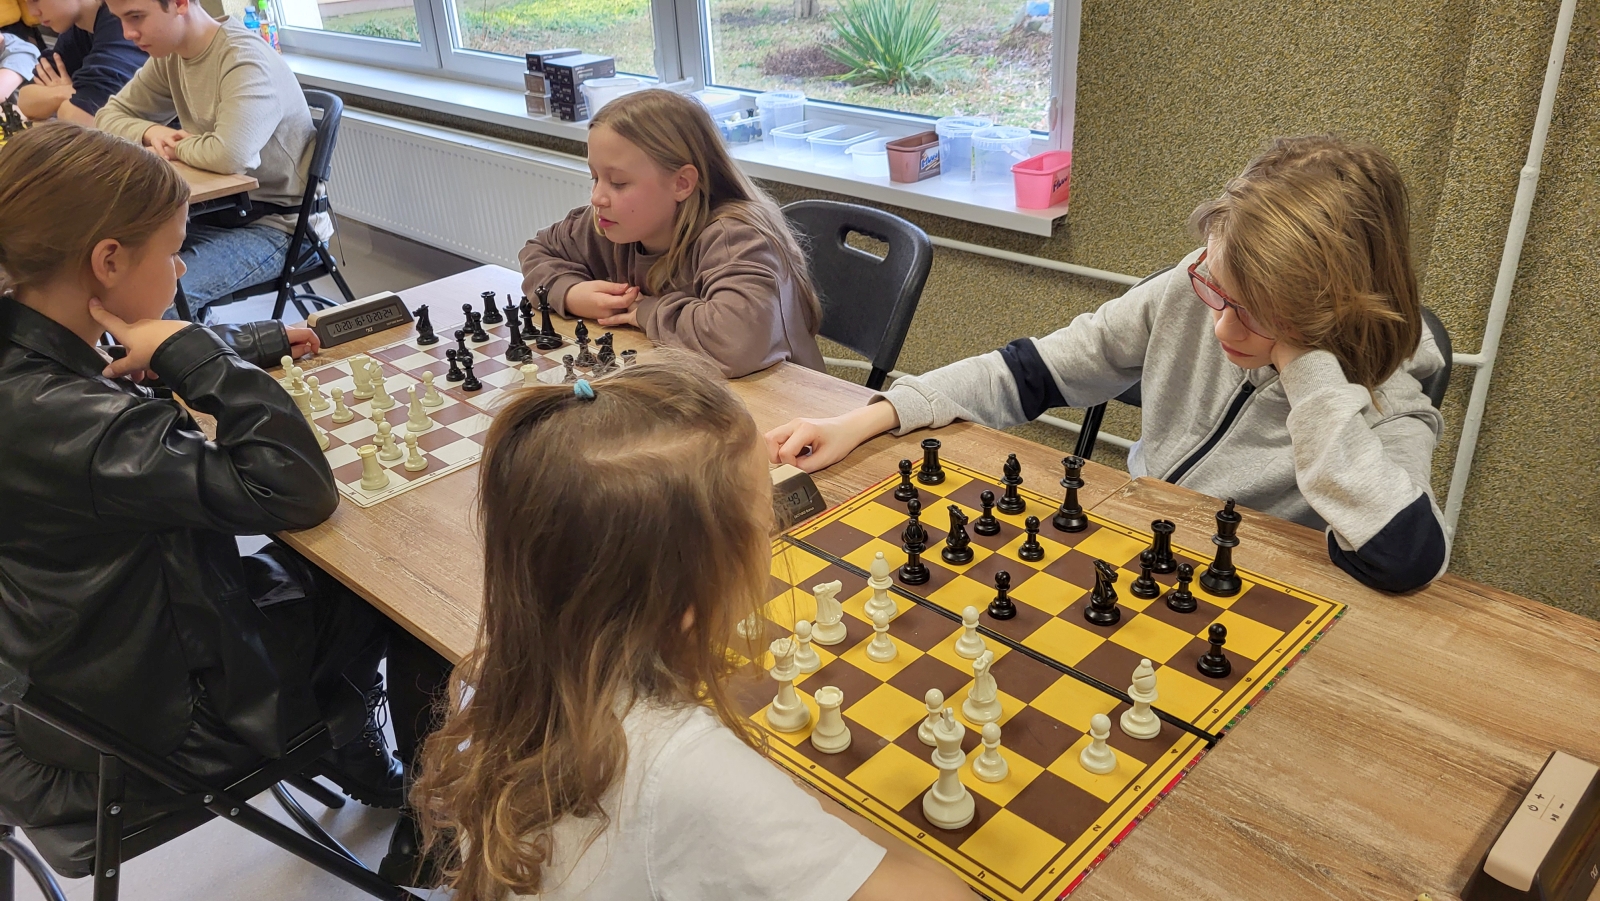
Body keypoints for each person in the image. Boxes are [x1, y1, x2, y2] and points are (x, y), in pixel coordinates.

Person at [0, 123, 448, 880]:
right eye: (174, 252)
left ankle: (350, 736)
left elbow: (115, 366)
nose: (181, 268)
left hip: (71, 674)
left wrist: (241, 344)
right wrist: (195, 356)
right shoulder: (81, 426)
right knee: (402, 590)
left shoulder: (30, 350)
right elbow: (294, 487)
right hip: (168, 724)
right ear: (107, 261)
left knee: (316, 576)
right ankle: (429, 816)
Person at [768, 136, 1450, 594]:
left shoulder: (1390, 396)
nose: (1218, 325)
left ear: (1326, 314)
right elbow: (1028, 370)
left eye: (1253, 312)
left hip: (1241, 592)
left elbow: (1405, 556)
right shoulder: (1190, 283)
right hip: (1128, 543)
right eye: (1216, 288)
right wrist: (869, 417)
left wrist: (1307, 366)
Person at [411, 356, 976, 901]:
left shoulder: (501, 677)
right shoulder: (688, 771)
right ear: (688, 595)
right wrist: (788, 803)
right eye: (765, 518)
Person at [519, 88, 825, 379]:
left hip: (791, 404)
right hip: (692, 386)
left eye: (618, 183)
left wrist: (645, 310)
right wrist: (571, 293)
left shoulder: (736, 238)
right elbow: (536, 251)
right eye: (595, 178)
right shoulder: (610, 223)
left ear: (681, 183)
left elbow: (736, 345)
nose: (597, 197)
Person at [96, 0, 328, 323]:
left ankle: (203, 348)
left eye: (136, 17)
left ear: (180, 4)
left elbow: (229, 155)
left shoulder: (244, 59)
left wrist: (177, 147)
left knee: (159, 297)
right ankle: (196, 342)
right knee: (112, 271)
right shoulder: (171, 55)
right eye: (120, 19)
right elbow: (106, 117)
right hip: (220, 215)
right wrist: (150, 131)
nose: (126, 33)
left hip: (281, 228)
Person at [16, 0, 147, 125]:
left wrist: (60, 98)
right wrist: (64, 92)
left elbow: (80, 117)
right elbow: (25, 100)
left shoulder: (119, 26)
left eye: (36, 0)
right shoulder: (76, 30)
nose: (32, 13)